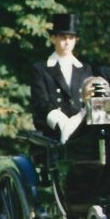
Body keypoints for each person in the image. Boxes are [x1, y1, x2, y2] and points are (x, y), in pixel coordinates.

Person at [31, 12, 93, 143]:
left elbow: (87, 100)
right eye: (63, 38)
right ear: (53, 38)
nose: (67, 42)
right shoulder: (41, 68)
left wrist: (78, 122)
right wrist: (63, 123)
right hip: (52, 131)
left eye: (71, 38)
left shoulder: (85, 68)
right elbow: (41, 102)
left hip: (81, 130)